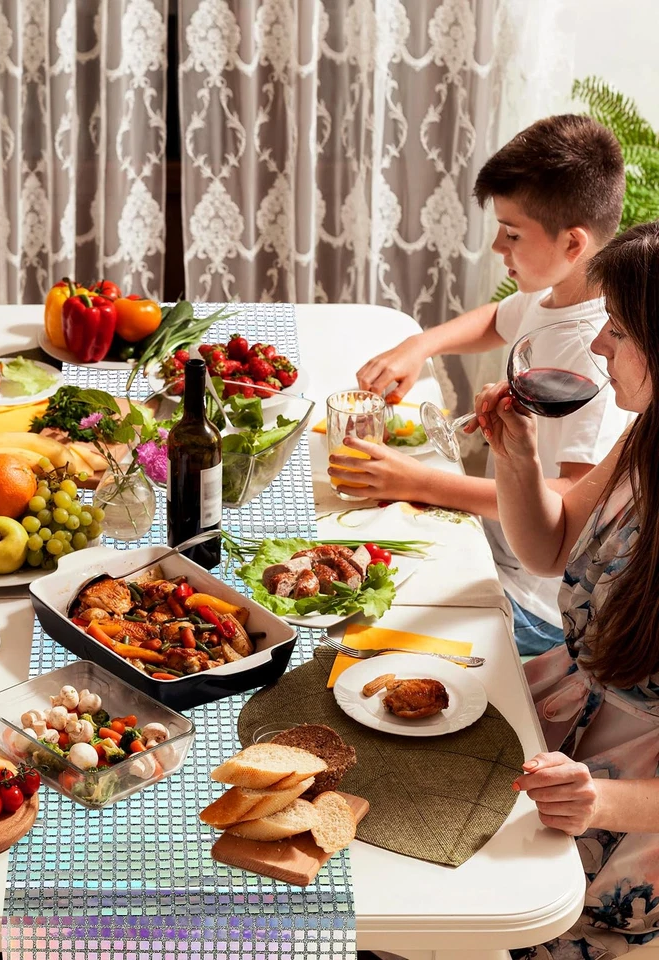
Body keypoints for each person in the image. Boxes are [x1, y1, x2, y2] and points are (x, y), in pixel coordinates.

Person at [344, 115, 634, 657]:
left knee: (362, 625)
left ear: (573, 243)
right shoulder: (554, 293)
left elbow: (567, 502)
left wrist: (420, 483)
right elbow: (500, 318)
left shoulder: (595, 357)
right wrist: (420, 345)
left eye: (513, 233)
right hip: (497, 544)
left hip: (531, 599)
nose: (498, 246)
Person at [476, 221, 659, 958]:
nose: (597, 346)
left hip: (627, 818)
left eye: (616, 329)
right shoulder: (646, 433)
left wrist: (598, 798)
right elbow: (550, 548)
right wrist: (516, 460)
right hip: (554, 719)